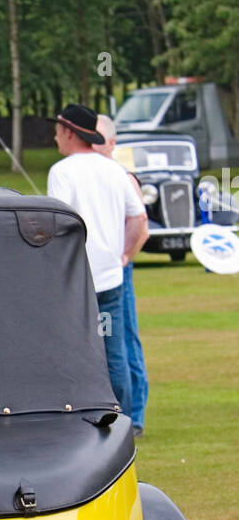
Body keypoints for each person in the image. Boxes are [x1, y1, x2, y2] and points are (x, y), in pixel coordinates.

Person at [47, 104, 147, 419]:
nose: (54, 137)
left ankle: (82, 414)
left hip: (77, 278)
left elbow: (57, 223)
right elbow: (138, 217)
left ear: (68, 131)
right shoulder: (113, 169)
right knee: (115, 351)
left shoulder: (62, 171)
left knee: (76, 351)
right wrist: (124, 255)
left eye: (57, 131)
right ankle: (126, 421)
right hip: (111, 276)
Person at [95, 115, 149, 436]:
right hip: (106, 266)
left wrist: (125, 257)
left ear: (112, 143)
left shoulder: (122, 176)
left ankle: (136, 414)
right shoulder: (99, 175)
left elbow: (140, 226)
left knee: (125, 335)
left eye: (99, 138)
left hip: (118, 268)